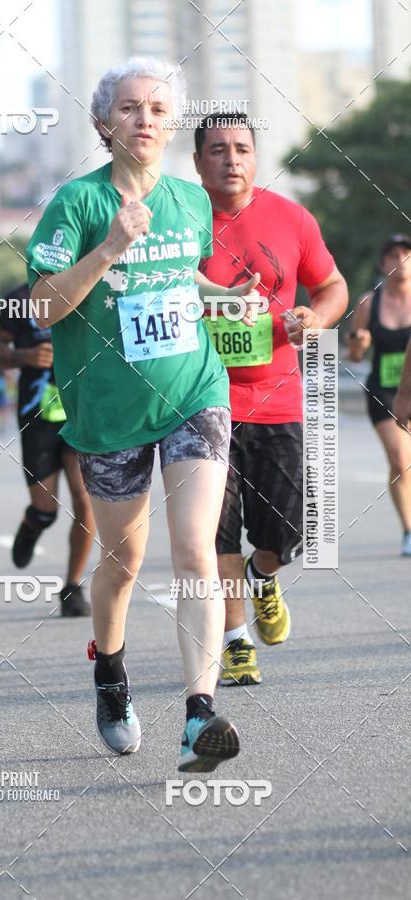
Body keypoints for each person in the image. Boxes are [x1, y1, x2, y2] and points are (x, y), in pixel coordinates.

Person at [27, 57, 261, 771]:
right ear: (105, 122)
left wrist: (219, 298)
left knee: (195, 550)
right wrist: (109, 248)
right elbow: (42, 306)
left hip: (195, 391)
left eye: (158, 109)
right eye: (130, 108)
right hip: (109, 410)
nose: (145, 120)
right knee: (123, 559)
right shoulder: (77, 204)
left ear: (172, 123)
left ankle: (198, 713)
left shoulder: (192, 202)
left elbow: (176, 274)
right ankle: (111, 673)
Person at [194, 113, 348, 686]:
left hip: (278, 398)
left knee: (287, 528)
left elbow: (332, 286)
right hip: (202, 399)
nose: (231, 159)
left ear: (255, 158)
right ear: (196, 162)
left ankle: (266, 576)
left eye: (241, 148)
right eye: (217, 150)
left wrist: (317, 316)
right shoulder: (180, 222)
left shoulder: (290, 217)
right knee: (217, 529)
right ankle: (234, 639)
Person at [0, 283, 95, 617]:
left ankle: (73, 586)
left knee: (85, 498)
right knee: (46, 507)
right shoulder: (19, 298)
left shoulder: (91, 287)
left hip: (83, 409)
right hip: (37, 414)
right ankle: (35, 521)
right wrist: (24, 356)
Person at [346, 234, 411, 556]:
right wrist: (359, 344)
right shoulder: (368, 303)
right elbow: (355, 354)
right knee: (401, 460)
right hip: (384, 391)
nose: (401, 260)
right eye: (393, 255)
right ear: (383, 264)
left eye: (407, 253)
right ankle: (409, 531)